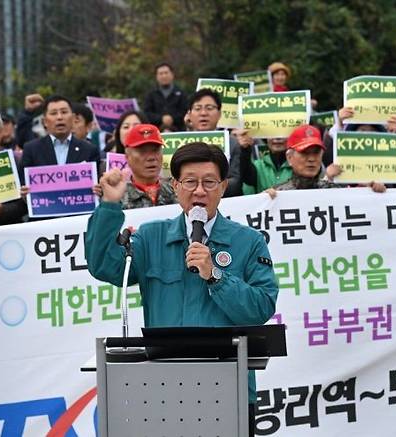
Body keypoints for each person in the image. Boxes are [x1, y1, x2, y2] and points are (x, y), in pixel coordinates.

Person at [85, 142, 278, 435]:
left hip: (228, 387)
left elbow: (261, 307)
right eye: (190, 181)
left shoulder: (248, 241)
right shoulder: (152, 237)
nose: (199, 191)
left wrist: (215, 275)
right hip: (164, 387)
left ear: (223, 187)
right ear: (175, 186)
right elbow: (104, 266)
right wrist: (111, 206)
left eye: (209, 182)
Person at [266, 125, 384, 195]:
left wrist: (372, 193)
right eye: (305, 153)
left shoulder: (338, 191)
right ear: (289, 158)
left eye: (316, 153)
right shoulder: (278, 194)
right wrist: (261, 201)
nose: (311, 159)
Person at [95, 124, 177, 209]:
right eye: (143, 152)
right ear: (127, 157)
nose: (151, 157)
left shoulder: (178, 189)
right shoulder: (117, 194)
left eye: (155, 150)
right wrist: (110, 202)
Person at [186, 88, 244, 197]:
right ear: (189, 114)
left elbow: (235, 182)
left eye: (209, 108)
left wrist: (209, 187)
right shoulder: (178, 143)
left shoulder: (232, 143)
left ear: (219, 114)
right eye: (198, 108)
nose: (203, 113)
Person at [21, 95, 100, 171]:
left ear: (72, 118)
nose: (59, 117)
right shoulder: (31, 149)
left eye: (64, 112)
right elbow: (23, 180)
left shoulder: (89, 150)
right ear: (44, 121)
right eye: (53, 113)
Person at [143, 62, 188, 131]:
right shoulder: (150, 94)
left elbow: (185, 112)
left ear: (172, 74)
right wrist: (161, 118)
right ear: (156, 76)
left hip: (178, 131)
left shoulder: (181, 94)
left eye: (166, 73)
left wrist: (172, 118)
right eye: (161, 74)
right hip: (155, 131)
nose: (164, 76)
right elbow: (147, 113)